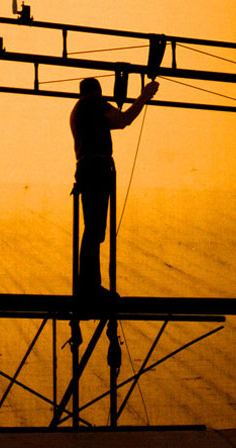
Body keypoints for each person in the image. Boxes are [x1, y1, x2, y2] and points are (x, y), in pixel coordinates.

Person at [70, 77, 159, 296]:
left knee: (93, 228)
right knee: (95, 229)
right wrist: (145, 96)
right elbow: (123, 119)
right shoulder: (93, 104)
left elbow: (115, 121)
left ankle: (89, 284)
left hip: (86, 168)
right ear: (96, 92)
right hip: (96, 169)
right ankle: (89, 286)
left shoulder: (79, 111)